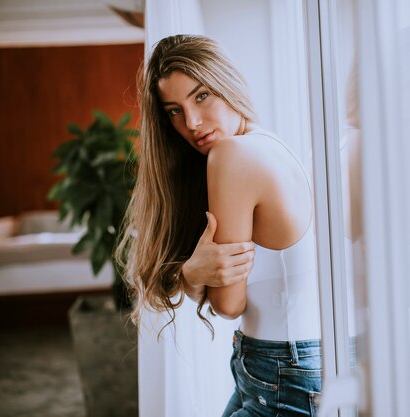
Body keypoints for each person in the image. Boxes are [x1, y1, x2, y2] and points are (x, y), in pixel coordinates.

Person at [116, 34, 322, 417]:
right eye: (174, 110)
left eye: (201, 96)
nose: (191, 123)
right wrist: (194, 273)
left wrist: (192, 274)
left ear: (226, 82)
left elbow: (228, 304)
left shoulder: (231, 154)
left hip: (282, 371)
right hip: (285, 364)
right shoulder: (268, 142)